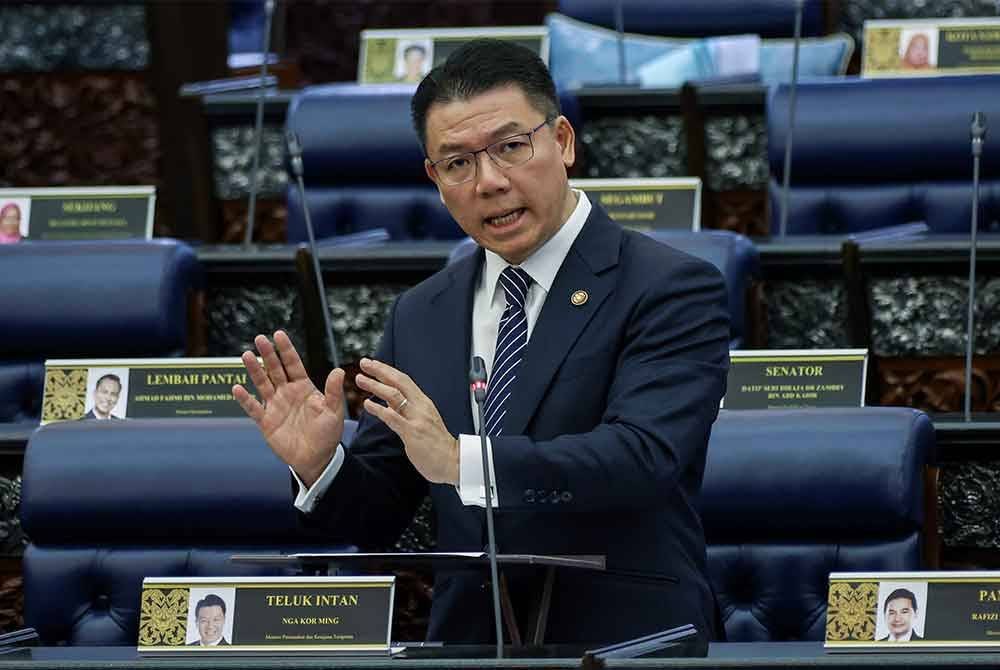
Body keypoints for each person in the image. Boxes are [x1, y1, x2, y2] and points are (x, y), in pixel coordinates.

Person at [233, 39, 729, 646]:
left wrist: (462, 461)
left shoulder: (669, 286)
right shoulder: (423, 312)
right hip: (471, 645)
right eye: (458, 163)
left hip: (623, 642)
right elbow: (381, 512)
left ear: (563, 141)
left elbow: (642, 459)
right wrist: (320, 466)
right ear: (435, 179)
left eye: (511, 147)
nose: (490, 181)